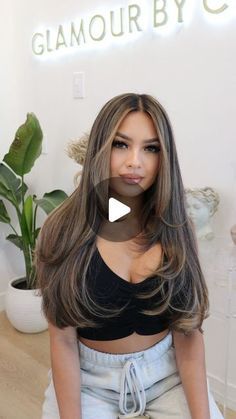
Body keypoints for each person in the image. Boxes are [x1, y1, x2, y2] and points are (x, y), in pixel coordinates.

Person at [34, 93, 224, 419]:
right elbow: (63, 341)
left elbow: (188, 334)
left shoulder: (178, 228)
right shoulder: (61, 230)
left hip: (167, 374)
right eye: (121, 144)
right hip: (91, 379)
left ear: (164, 158)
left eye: (151, 148)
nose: (135, 161)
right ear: (100, 149)